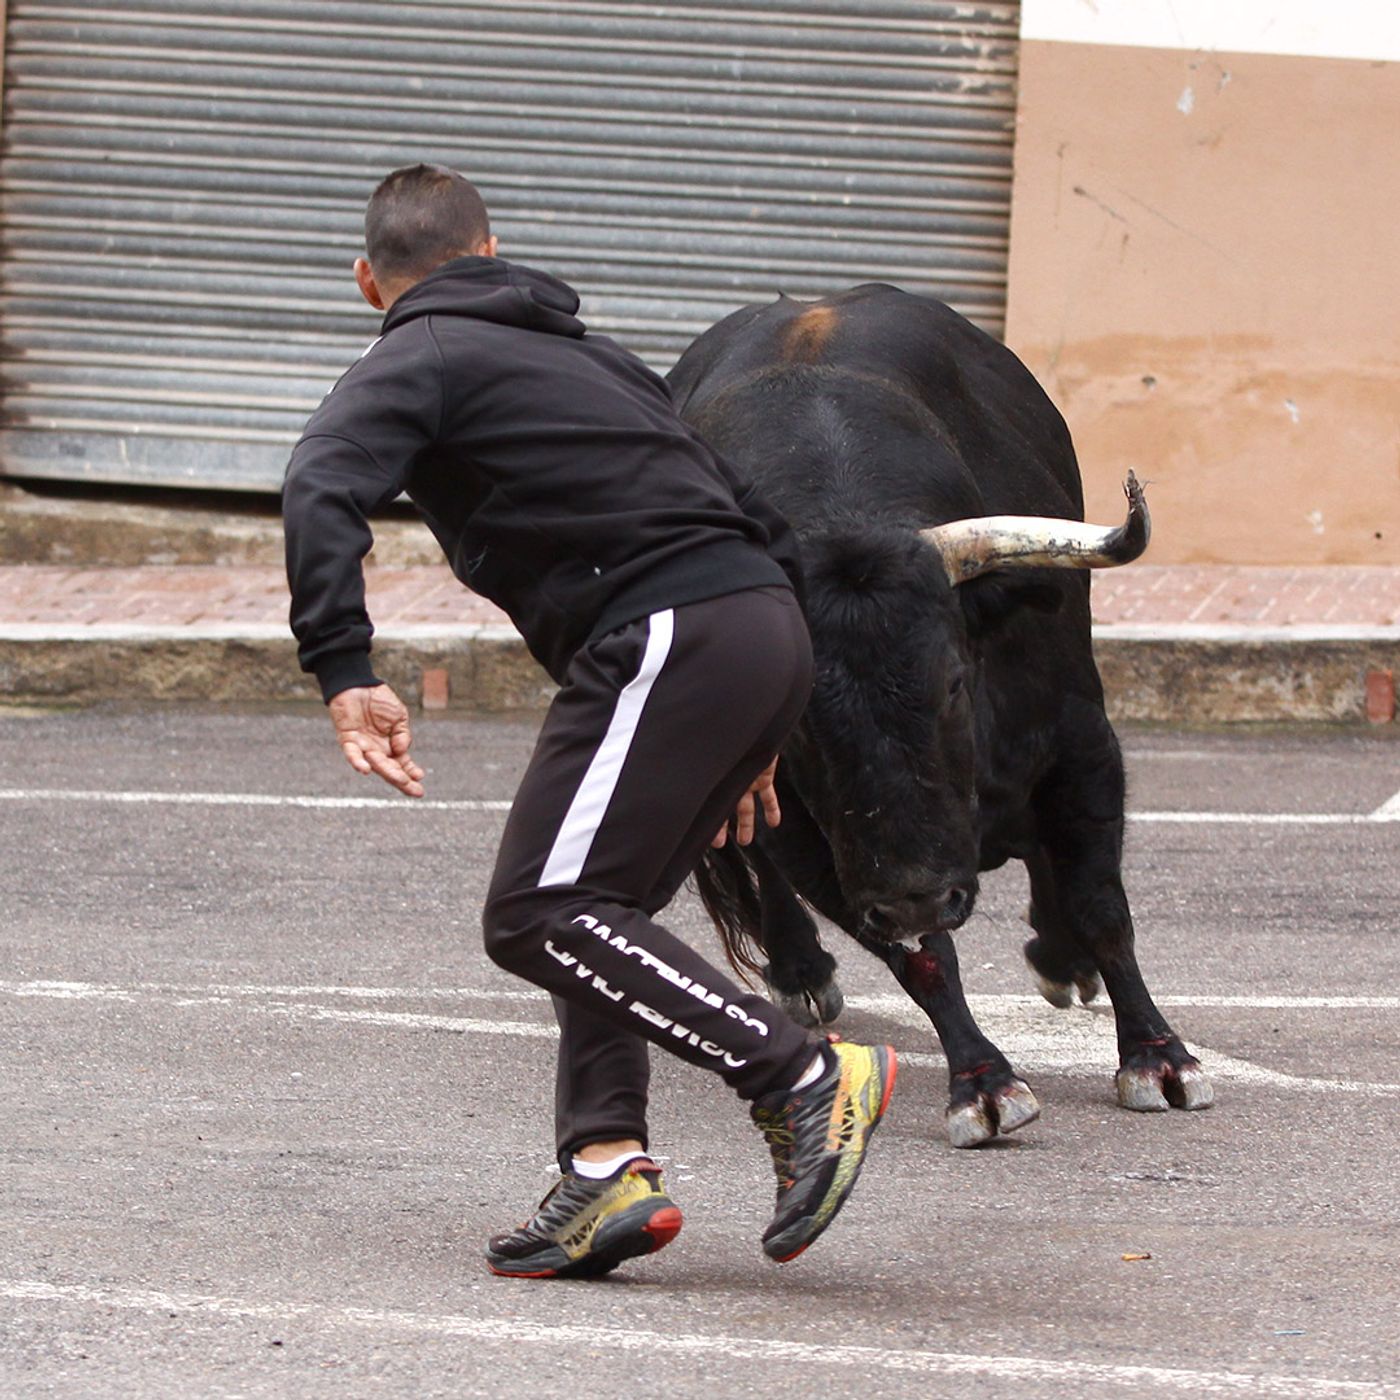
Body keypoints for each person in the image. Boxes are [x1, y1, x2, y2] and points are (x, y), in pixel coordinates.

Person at [282, 163, 896, 1278]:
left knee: (540, 909)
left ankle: (800, 1071)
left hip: (668, 632)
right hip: (756, 625)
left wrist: (342, 664)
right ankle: (604, 1169)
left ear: (369, 281)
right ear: (491, 249)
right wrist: (755, 725)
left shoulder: (415, 353)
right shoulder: (595, 359)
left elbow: (321, 480)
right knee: (606, 916)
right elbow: (758, 518)